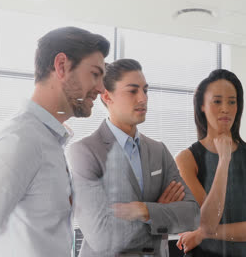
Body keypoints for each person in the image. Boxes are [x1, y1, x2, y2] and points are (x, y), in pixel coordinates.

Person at [0, 27, 110, 257]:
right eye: (95, 74)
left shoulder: (49, 141)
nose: (102, 88)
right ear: (61, 66)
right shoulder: (18, 140)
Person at [67, 58, 200, 257]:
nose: (143, 98)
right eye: (133, 90)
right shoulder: (84, 152)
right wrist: (160, 214)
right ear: (106, 96)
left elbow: (192, 216)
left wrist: (144, 211)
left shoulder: (158, 151)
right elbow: (102, 238)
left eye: (145, 90)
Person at [175, 69, 246, 257]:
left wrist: (203, 234)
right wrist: (224, 161)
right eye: (217, 101)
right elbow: (207, 221)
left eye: (232, 101)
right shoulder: (186, 159)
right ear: (202, 106)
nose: (225, 108)